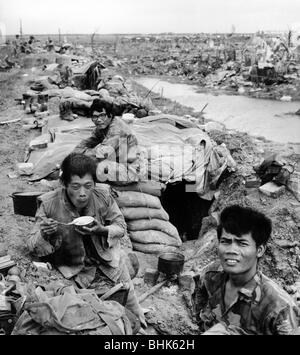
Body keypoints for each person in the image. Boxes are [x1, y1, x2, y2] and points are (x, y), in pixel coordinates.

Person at [27, 152, 146, 329]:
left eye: (88, 186)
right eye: (75, 186)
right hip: (73, 268)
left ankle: (139, 325)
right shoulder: (49, 204)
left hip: (107, 260)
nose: (82, 193)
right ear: (64, 184)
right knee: (84, 314)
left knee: (130, 302)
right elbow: (31, 244)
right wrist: (45, 234)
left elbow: (121, 226)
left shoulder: (103, 196)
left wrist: (102, 229)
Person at [192, 205, 300, 335]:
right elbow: (199, 304)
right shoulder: (211, 277)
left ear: (259, 250)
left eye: (242, 243)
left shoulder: (278, 306)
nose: (231, 250)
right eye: (225, 241)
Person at [73, 109, 143, 184]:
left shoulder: (116, 129)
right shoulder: (103, 127)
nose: (98, 120)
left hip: (129, 169)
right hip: (117, 160)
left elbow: (102, 153)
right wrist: (75, 153)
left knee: (91, 167)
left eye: (102, 116)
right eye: (95, 117)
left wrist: (79, 159)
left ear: (110, 116)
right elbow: (89, 141)